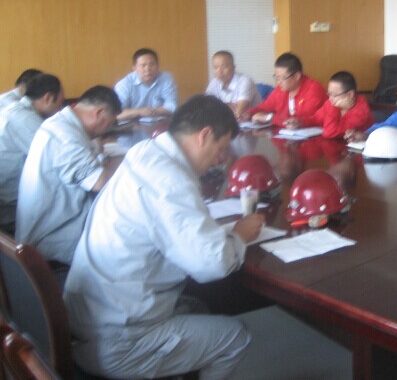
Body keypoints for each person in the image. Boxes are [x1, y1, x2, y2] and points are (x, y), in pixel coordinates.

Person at [63, 95, 264, 380]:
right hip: (119, 341)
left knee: (198, 306)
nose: (221, 160)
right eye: (221, 149)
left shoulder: (146, 152)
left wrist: (222, 235)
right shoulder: (169, 180)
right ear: (204, 135)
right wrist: (239, 235)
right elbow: (212, 264)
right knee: (235, 337)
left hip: (88, 317)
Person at [15, 86, 122, 265]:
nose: (106, 130)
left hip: (54, 224)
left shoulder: (62, 123)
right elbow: (99, 182)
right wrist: (127, 160)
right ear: (100, 113)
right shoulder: (65, 136)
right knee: (133, 247)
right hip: (53, 240)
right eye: (110, 123)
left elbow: (89, 154)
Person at [0, 74, 64, 234]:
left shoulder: (16, 109)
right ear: (48, 98)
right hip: (10, 206)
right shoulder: (25, 119)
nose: (60, 109)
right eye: (60, 102)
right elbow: (57, 157)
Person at [241, 53, 326, 127]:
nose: (279, 82)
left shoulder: (314, 89)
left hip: (316, 138)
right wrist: (248, 113)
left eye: (282, 78)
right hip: (288, 136)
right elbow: (265, 106)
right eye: (277, 77)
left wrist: (269, 118)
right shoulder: (281, 90)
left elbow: (300, 121)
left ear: (297, 76)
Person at [296, 71, 374, 138]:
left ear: (350, 94)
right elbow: (316, 119)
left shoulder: (360, 111)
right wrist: (300, 122)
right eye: (329, 94)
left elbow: (330, 132)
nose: (330, 98)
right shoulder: (331, 102)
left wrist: (334, 107)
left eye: (334, 95)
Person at [114, 48, 177, 121]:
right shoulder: (124, 84)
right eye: (143, 65)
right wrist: (140, 112)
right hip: (131, 124)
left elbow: (172, 105)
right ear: (134, 68)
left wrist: (152, 111)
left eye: (152, 64)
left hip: (159, 122)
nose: (148, 69)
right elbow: (117, 114)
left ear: (158, 65)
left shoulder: (166, 78)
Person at [205, 50, 261, 118]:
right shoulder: (214, 83)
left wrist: (218, 106)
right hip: (226, 121)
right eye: (215, 67)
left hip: (252, 121)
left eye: (224, 67)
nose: (219, 71)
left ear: (234, 67)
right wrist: (226, 105)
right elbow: (207, 107)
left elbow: (238, 111)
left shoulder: (245, 81)